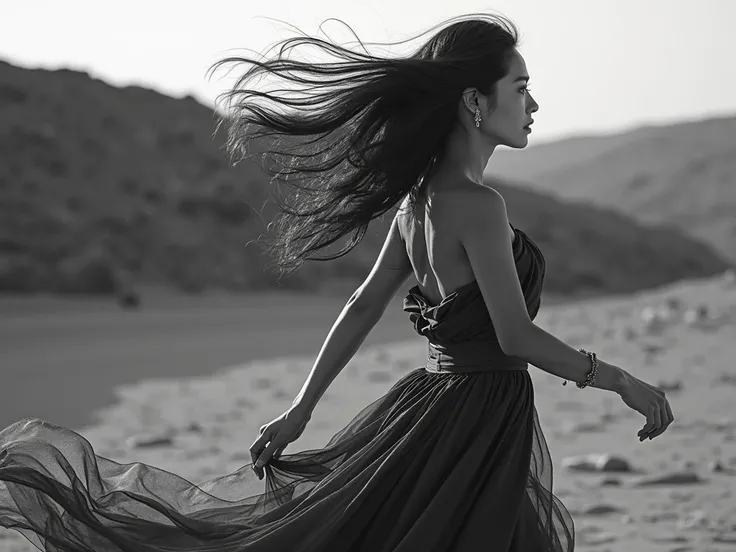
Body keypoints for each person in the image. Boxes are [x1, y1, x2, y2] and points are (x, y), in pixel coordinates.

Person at [0, 13, 674, 552]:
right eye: (521, 88)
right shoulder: (477, 206)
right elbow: (513, 333)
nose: (534, 104)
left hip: (437, 411)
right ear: (475, 101)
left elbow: (362, 304)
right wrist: (620, 380)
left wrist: (300, 410)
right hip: (474, 419)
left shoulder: (420, 202)